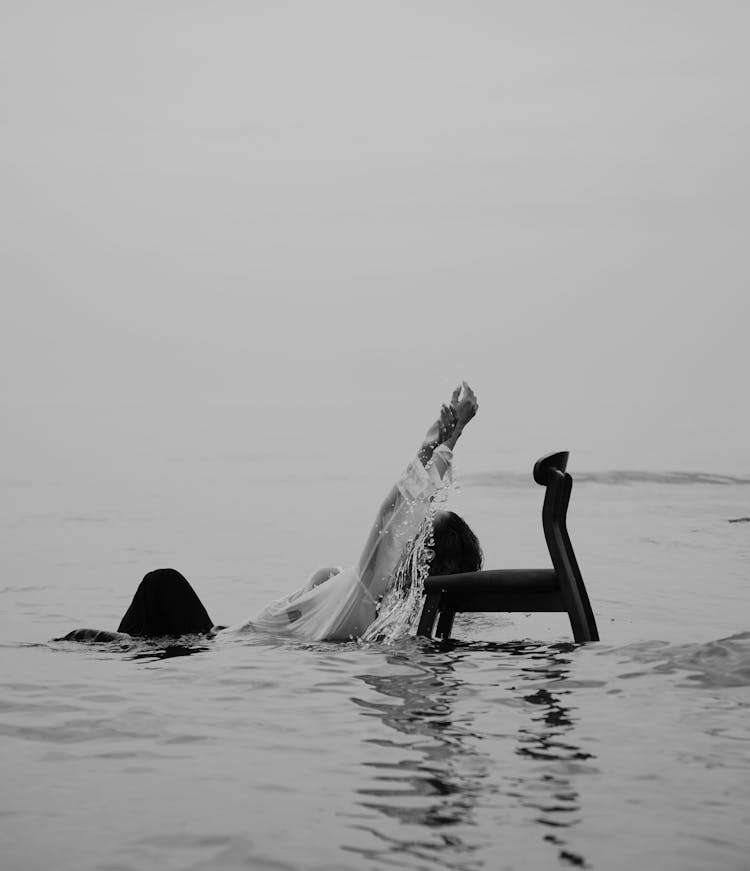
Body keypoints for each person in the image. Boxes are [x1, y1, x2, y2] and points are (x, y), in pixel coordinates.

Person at [60, 383, 482, 644]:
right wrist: (442, 440)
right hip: (218, 641)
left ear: (425, 558)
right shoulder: (377, 608)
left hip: (212, 648)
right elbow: (404, 510)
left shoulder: (369, 593)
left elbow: (396, 507)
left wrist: (447, 437)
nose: (408, 532)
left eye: (420, 534)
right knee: (159, 591)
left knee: (152, 591)